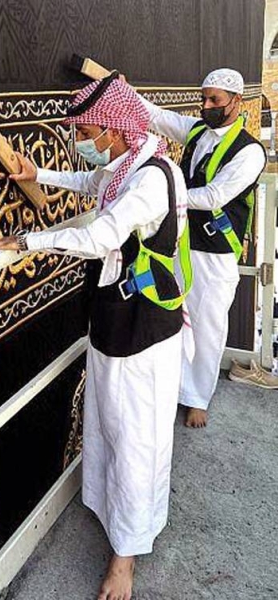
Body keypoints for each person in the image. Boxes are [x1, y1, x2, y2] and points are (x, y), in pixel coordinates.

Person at [0, 75, 191, 600]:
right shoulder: (124, 165)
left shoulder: (151, 179)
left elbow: (100, 235)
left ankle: (125, 557)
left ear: (112, 129)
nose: (82, 140)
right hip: (114, 321)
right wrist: (41, 174)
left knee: (136, 440)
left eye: (84, 131)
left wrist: (32, 240)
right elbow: (94, 186)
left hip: (143, 331)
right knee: (110, 425)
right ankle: (113, 516)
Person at [139, 68, 266, 428]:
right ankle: (174, 387)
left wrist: (162, 197)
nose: (207, 106)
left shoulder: (250, 152)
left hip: (215, 252)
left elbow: (214, 196)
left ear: (236, 102)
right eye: (204, 99)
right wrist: (116, 87)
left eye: (215, 101)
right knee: (176, 316)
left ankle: (198, 397)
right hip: (181, 242)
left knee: (207, 325)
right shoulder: (198, 131)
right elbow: (157, 117)